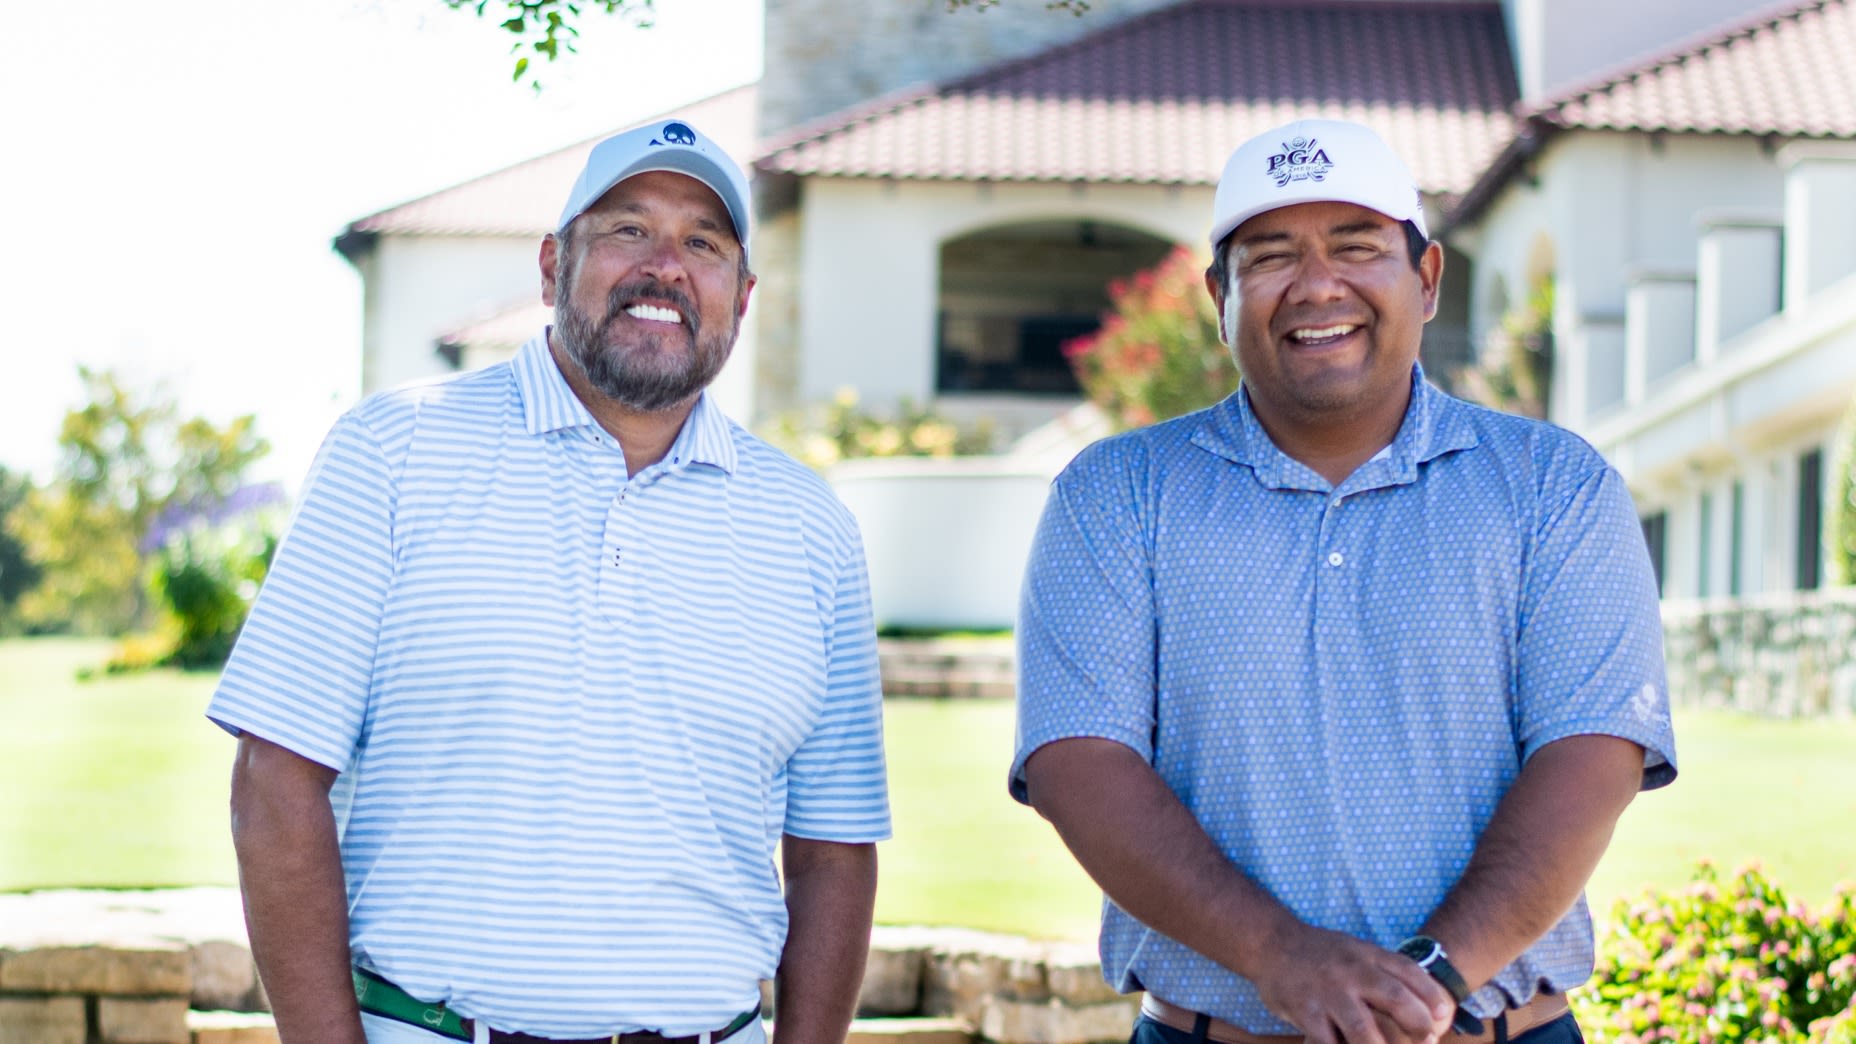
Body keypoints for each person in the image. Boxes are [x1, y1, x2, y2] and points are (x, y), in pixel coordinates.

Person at [210, 119, 890, 1044]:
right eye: (626, 229)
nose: (666, 266)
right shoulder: (392, 453)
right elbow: (274, 782)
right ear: (549, 268)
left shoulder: (813, 528)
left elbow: (834, 852)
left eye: (704, 242)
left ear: (742, 293)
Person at [1010, 118, 1677, 1044]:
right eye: (1272, 255)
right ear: (1220, 293)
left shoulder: (1553, 487)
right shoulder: (1117, 495)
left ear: (1429, 278)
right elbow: (1077, 762)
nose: (1317, 285)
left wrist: (1430, 981)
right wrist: (1283, 957)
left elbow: (1592, 750)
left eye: (1358, 246)